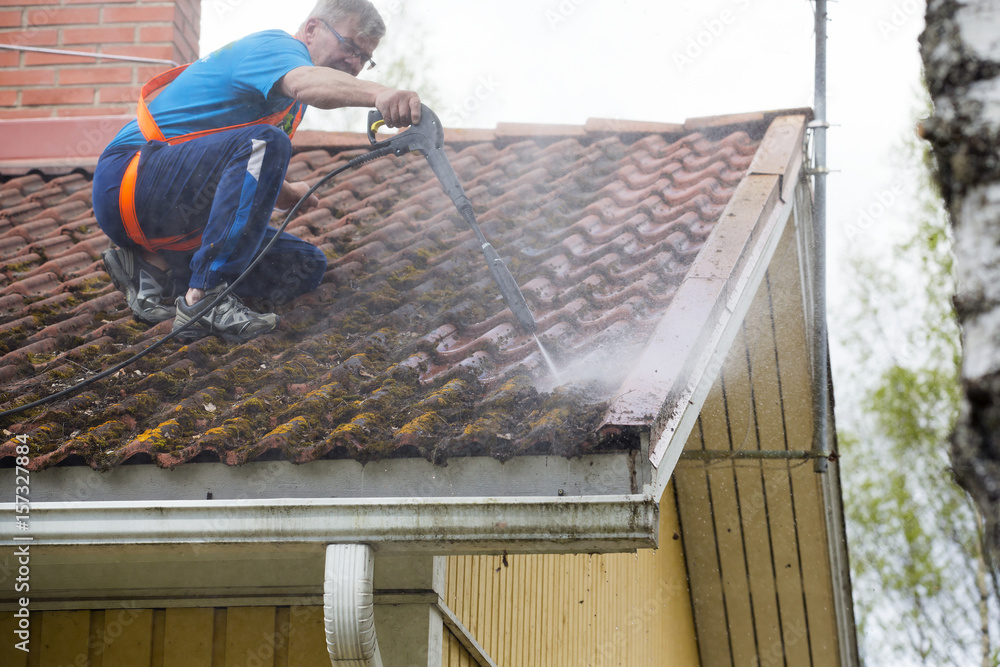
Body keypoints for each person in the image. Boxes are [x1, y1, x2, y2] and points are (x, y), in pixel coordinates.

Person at [92, 0, 421, 343]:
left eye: (364, 59)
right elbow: (302, 88)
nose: (354, 63)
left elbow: (241, 169)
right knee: (267, 141)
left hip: (171, 214)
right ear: (312, 29)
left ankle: (150, 269)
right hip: (128, 179)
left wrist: (288, 192)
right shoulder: (276, 48)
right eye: (350, 46)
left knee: (304, 266)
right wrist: (382, 93)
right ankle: (206, 298)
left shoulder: (288, 106)